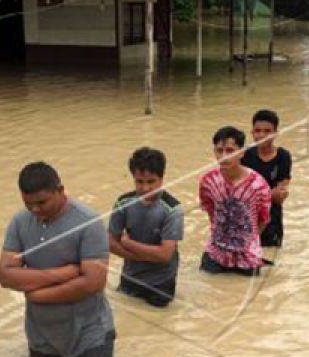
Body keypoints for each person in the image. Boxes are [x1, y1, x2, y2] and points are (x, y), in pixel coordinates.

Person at [0, 162, 116, 357]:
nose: (35, 210)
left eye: (42, 202)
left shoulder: (89, 222)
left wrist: (38, 296)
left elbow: (93, 282)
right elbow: (5, 275)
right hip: (41, 338)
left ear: (60, 191)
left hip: (89, 338)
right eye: (28, 204)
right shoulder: (19, 221)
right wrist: (64, 273)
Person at [108, 147, 184, 308]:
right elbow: (110, 243)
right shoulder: (123, 203)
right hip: (130, 276)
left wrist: (130, 245)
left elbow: (164, 255)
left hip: (161, 282)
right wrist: (145, 256)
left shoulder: (173, 209)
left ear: (162, 179)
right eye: (139, 182)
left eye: (151, 182)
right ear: (133, 178)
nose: (145, 188)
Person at [199, 125, 271, 276]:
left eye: (230, 151)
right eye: (219, 150)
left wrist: (246, 240)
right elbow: (211, 212)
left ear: (242, 152)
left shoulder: (259, 185)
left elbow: (263, 220)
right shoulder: (208, 181)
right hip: (216, 252)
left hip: (247, 255)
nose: (224, 156)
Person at [241, 109, 292, 247]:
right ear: (252, 132)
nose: (262, 135)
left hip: (272, 223)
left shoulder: (283, 156)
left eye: (267, 131)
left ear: (275, 133)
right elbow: (237, 193)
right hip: (245, 222)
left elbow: (280, 196)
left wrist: (251, 194)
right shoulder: (244, 155)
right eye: (257, 131)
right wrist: (270, 193)